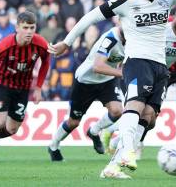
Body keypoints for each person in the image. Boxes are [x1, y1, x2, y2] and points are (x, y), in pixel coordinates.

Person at [47, 0, 176, 179]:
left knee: (150, 117)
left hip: (160, 67)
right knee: (134, 107)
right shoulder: (126, 0)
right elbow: (91, 17)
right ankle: (127, 150)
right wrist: (67, 42)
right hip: (137, 61)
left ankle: (113, 167)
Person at [101, 2, 176, 178]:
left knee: (150, 119)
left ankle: (117, 144)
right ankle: (120, 157)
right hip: (141, 69)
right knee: (138, 112)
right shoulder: (160, 27)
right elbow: (125, 32)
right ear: (173, 17)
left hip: (164, 74)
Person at [0, 11, 50, 164]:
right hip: (2, 85)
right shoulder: (3, 46)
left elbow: (46, 63)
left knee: (12, 129)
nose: (29, 32)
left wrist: (38, 87)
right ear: (17, 28)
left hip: (23, 89)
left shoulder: (40, 44)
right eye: (25, 28)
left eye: (32, 28)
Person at [47, 26, 125, 162]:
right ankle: (53, 146)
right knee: (73, 122)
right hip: (85, 81)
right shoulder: (110, 38)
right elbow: (97, 66)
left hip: (108, 80)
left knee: (117, 111)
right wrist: (122, 73)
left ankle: (94, 131)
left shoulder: (135, 38)